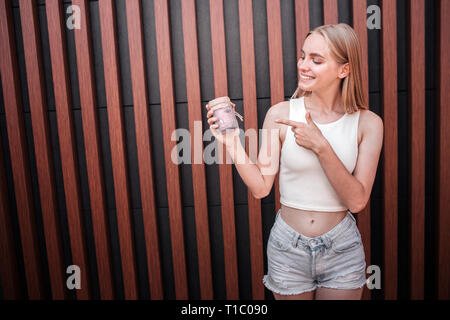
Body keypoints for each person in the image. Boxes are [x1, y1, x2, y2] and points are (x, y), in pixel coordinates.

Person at [205, 23, 383, 300]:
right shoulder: (280, 114)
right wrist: (232, 143)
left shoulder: (369, 124)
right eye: (303, 56)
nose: (303, 65)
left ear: (344, 70)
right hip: (288, 247)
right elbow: (261, 188)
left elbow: (357, 201)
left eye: (316, 60)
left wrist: (321, 146)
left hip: (342, 249)